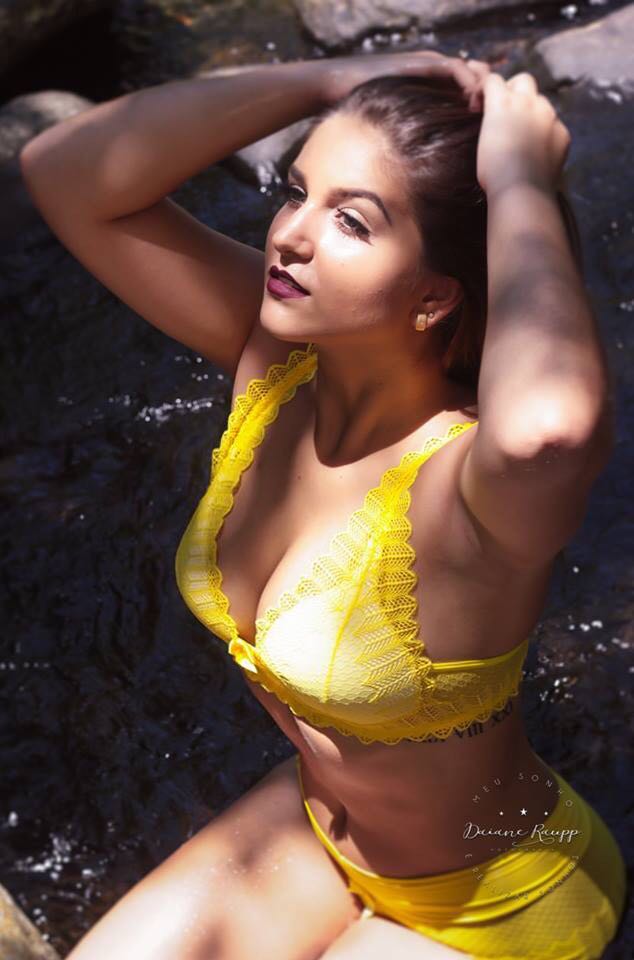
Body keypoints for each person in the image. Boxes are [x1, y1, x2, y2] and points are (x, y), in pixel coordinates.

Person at [20, 50, 626, 960]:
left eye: (351, 220)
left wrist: (519, 179)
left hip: (499, 894)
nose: (291, 236)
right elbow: (66, 171)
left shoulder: (472, 487)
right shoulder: (275, 361)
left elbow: (551, 426)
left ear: (435, 296)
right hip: (316, 831)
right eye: (296, 192)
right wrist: (339, 81)